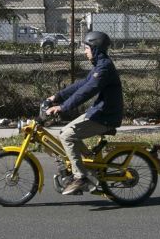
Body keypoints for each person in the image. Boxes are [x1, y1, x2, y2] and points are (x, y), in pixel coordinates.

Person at [45, 31, 123, 195]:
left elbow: (87, 91)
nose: (85, 51)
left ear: (95, 49)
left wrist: (63, 107)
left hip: (106, 116)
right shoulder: (100, 66)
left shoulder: (104, 68)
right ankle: (88, 164)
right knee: (64, 132)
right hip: (100, 112)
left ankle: (81, 177)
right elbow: (81, 85)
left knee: (67, 136)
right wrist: (57, 97)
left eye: (86, 48)